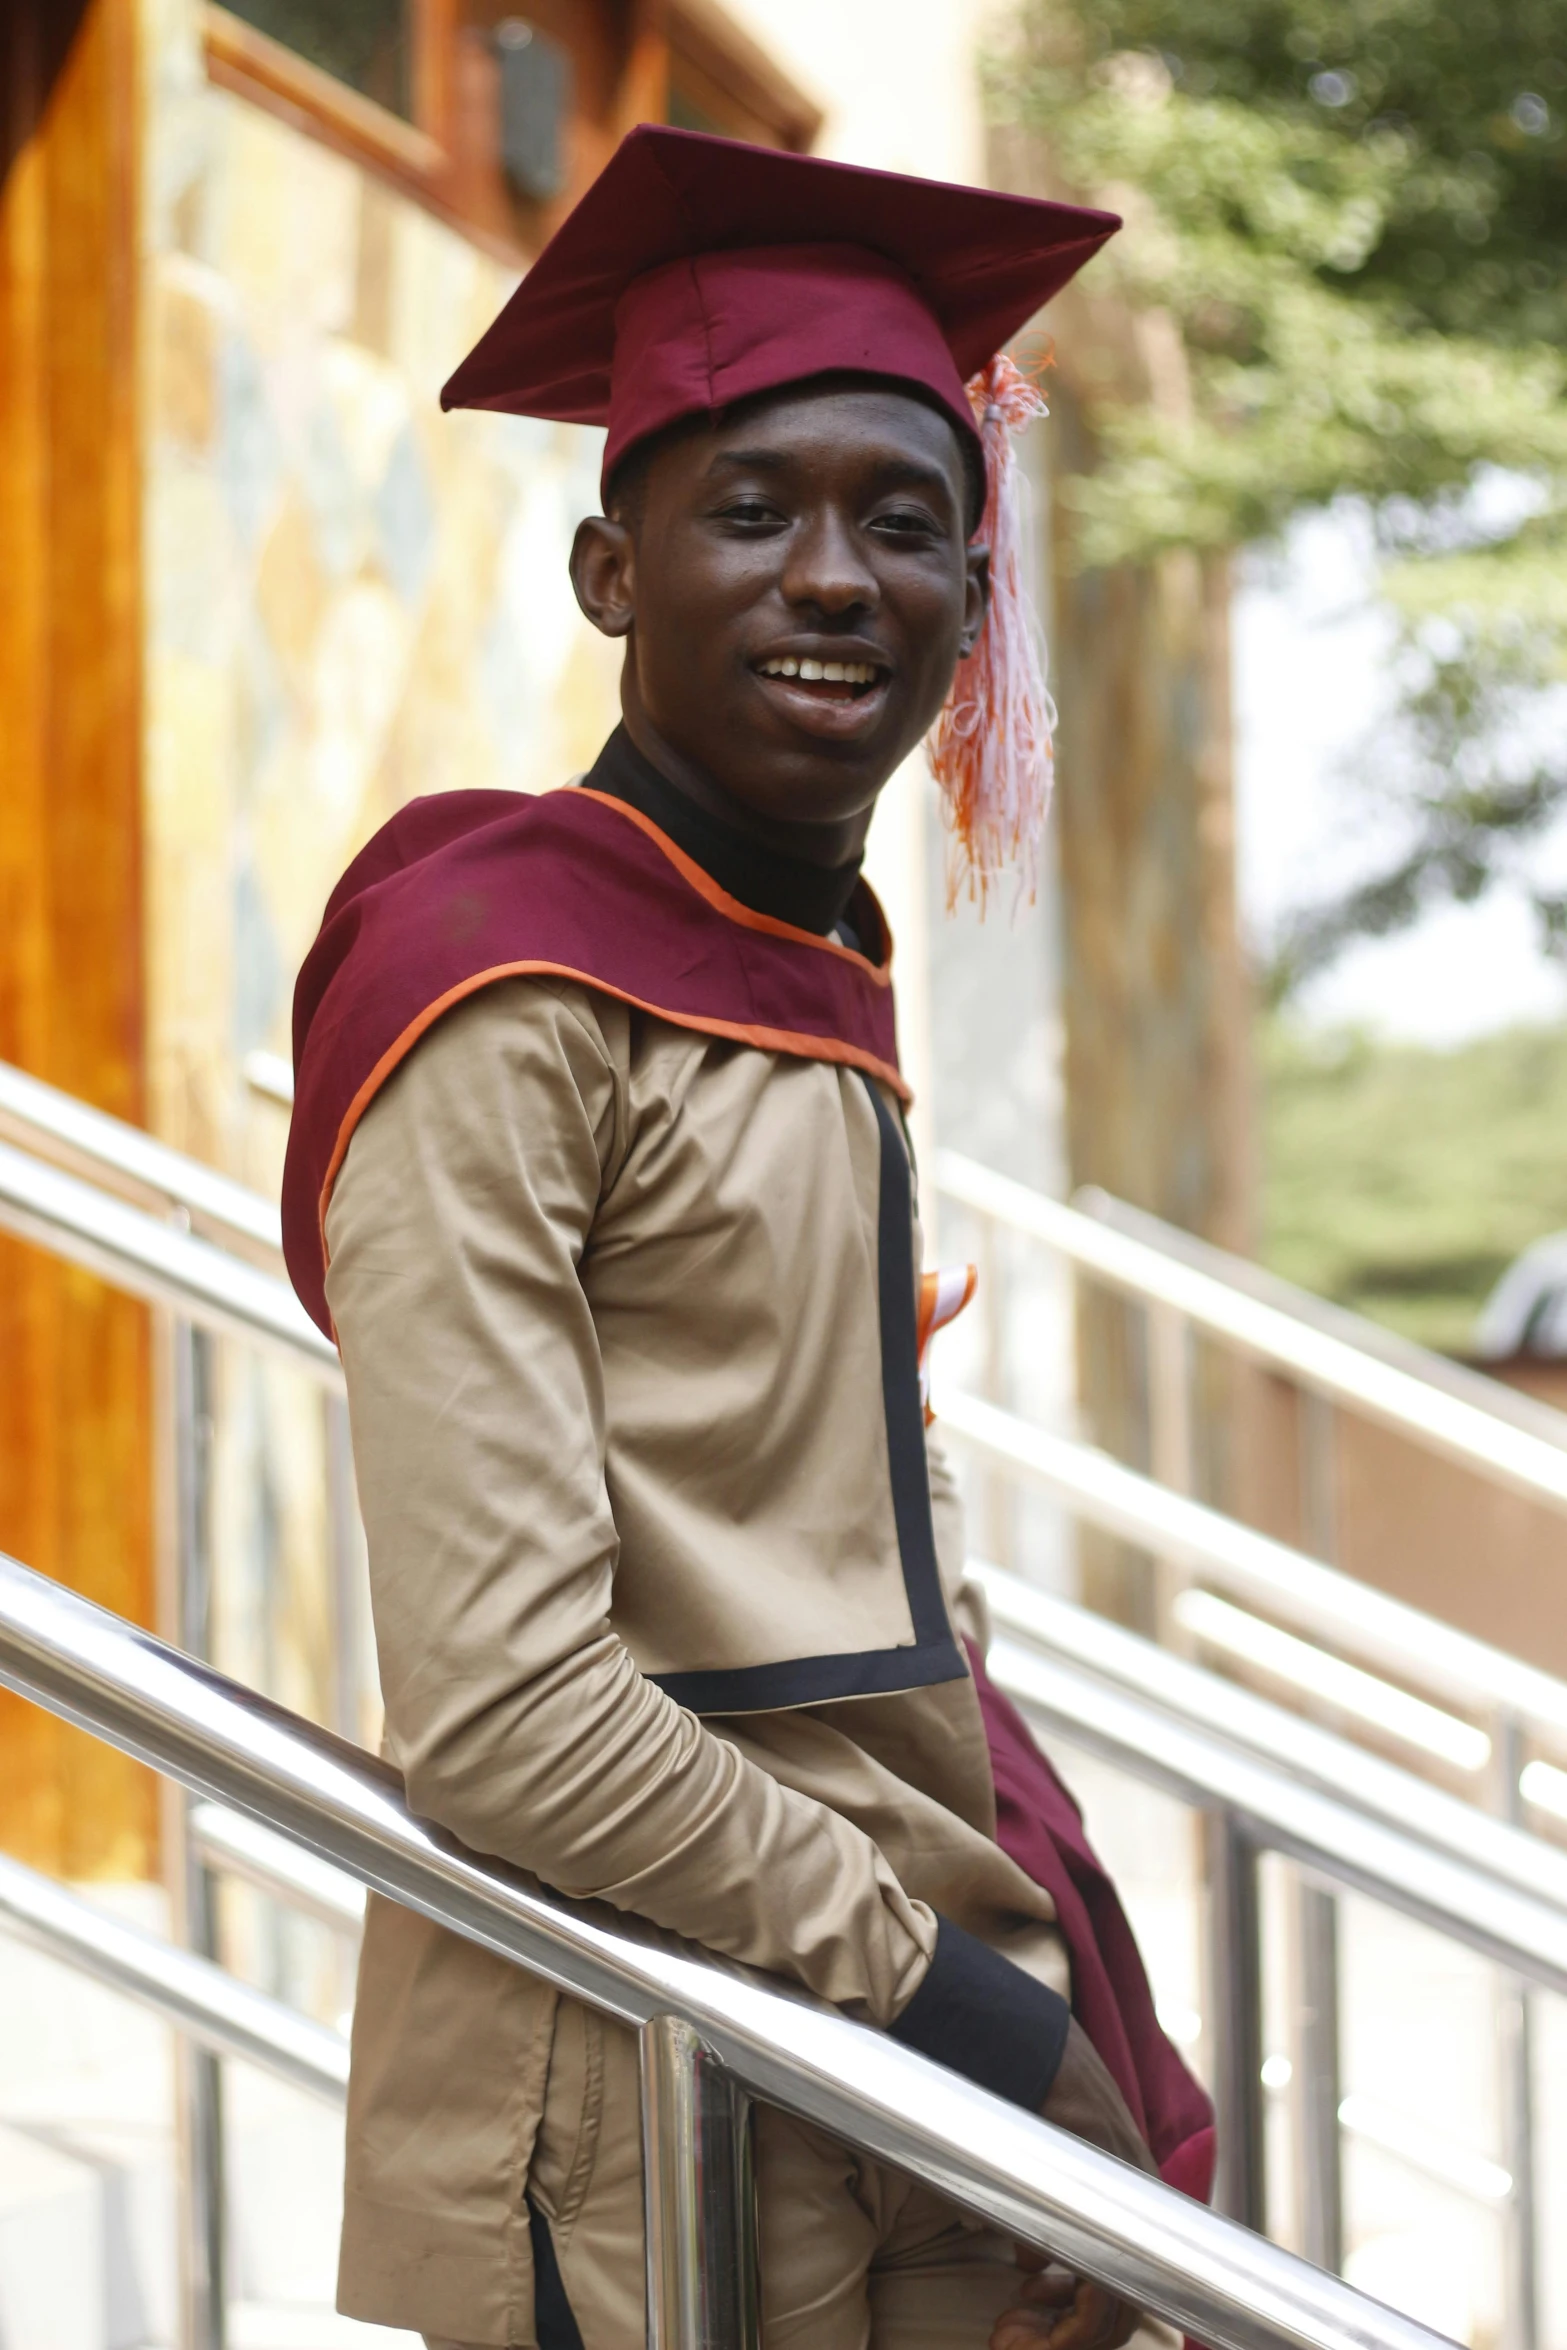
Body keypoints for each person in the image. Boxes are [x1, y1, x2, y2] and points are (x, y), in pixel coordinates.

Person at [282, 125, 1211, 2350]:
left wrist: (1030, 1965)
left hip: (873, 2004)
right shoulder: (507, 983)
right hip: (657, 2075)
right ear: (613, 575)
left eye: (908, 525)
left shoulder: (807, 969)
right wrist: (972, 2021)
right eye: (752, 509)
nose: (834, 576)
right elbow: (510, 1709)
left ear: (975, 606)